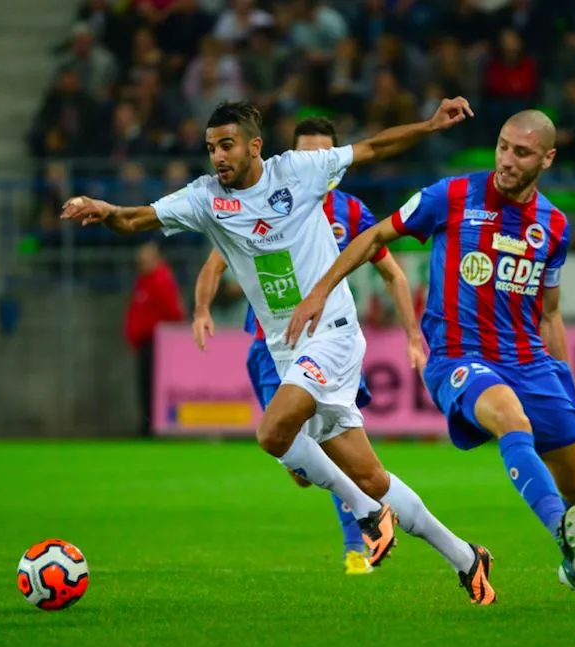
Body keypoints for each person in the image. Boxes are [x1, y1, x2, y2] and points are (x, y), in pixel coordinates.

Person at [61, 99, 498, 605]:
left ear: (254, 146)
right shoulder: (206, 198)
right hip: (286, 345)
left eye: (226, 145)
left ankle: (362, 510)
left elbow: (374, 147)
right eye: (210, 148)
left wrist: (429, 124)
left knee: (272, 432)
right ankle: (466, 558)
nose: (217, 157)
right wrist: (107, 210)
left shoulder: (299, 172)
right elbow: (137, 220)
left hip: (331, 331)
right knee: (371, 474)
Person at [285, 110, 575, 610]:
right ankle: (559, 530)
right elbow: (376, 237)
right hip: (459, 358)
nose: (508, 160)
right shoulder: (452, 195)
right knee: (508, 416)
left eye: (522, 153)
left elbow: (550, 313)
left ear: (547, 159)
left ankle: (574, 559)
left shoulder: (553, 225)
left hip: (532, 362)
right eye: (503, 146)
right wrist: (320, 290)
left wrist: (566, 384)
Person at [193, 117, 424, 576]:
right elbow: (214, 265)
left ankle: (357, 544)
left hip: (328, 340)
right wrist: (202, 310)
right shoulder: (259, 202)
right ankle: (373, 517)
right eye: (307, 152)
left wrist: (413, 334)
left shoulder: (352, 212)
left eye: (325, 153)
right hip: (269, 347)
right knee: (299, 472)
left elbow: (393, 273)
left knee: (341, 448)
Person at [125, 241, 186, 437]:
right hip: (145, 342)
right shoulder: (144, 280)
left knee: (151, 386)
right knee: (145, 385)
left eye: (146, 256)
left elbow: (174, 312)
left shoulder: (160, 280)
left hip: (156, 343)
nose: (141, 260)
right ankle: (147, 426)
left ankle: (151, 427)